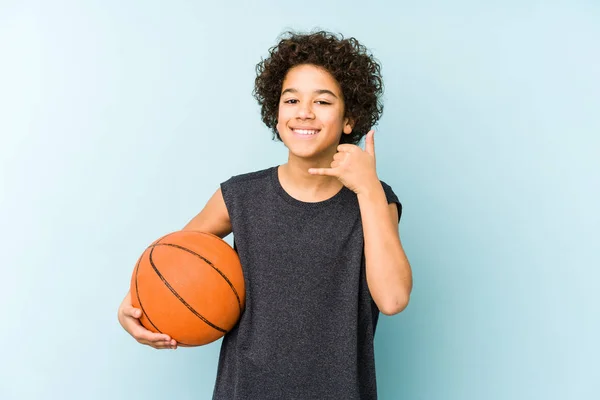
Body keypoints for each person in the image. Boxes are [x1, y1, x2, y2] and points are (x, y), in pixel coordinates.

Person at [118, 30, 413, 399]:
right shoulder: (240, 196)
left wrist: (368, 188)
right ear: (276, 114)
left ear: (349, 118)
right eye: (291, 99)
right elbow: (168, 267)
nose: (304, 111)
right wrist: (133, 307)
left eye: (322, 101)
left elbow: (393, 299)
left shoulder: (374, 200)